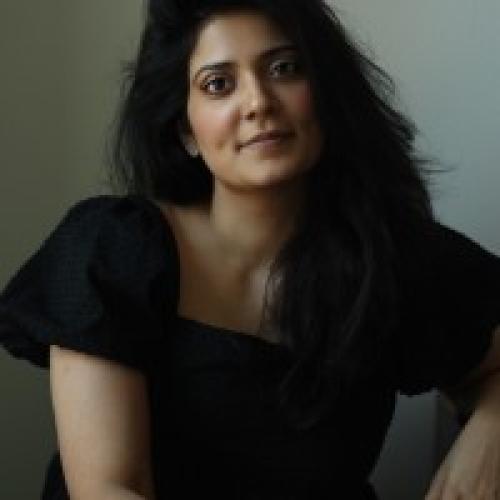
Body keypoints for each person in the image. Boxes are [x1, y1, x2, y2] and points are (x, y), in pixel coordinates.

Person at [1, 0, 499, 498]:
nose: (258, 102)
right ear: (186, 129)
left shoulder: (386, 256)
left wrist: (492, 427)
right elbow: (110, 489)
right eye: (219, 84)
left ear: (324, 93)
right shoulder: (114, 247)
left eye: (284, 68)